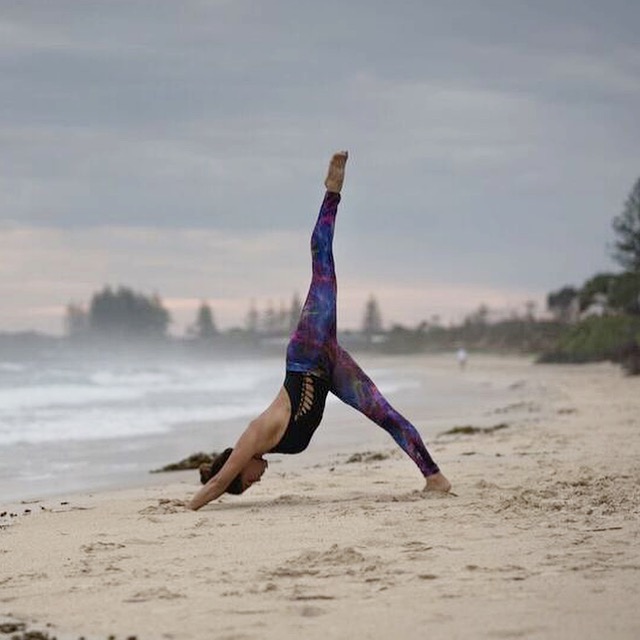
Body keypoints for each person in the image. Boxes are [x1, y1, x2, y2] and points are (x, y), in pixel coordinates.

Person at [188, 151, 451, 510]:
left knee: (322, 264)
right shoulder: (270, 446)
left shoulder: (253, 436)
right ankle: (435, 477)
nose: (255, 482)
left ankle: (332, 191)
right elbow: (223, 480)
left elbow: (219, 481)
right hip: (329, 368)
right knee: (385, 414)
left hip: (307, 352)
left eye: (246, 483)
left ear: (239, 466)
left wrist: (188, 507)